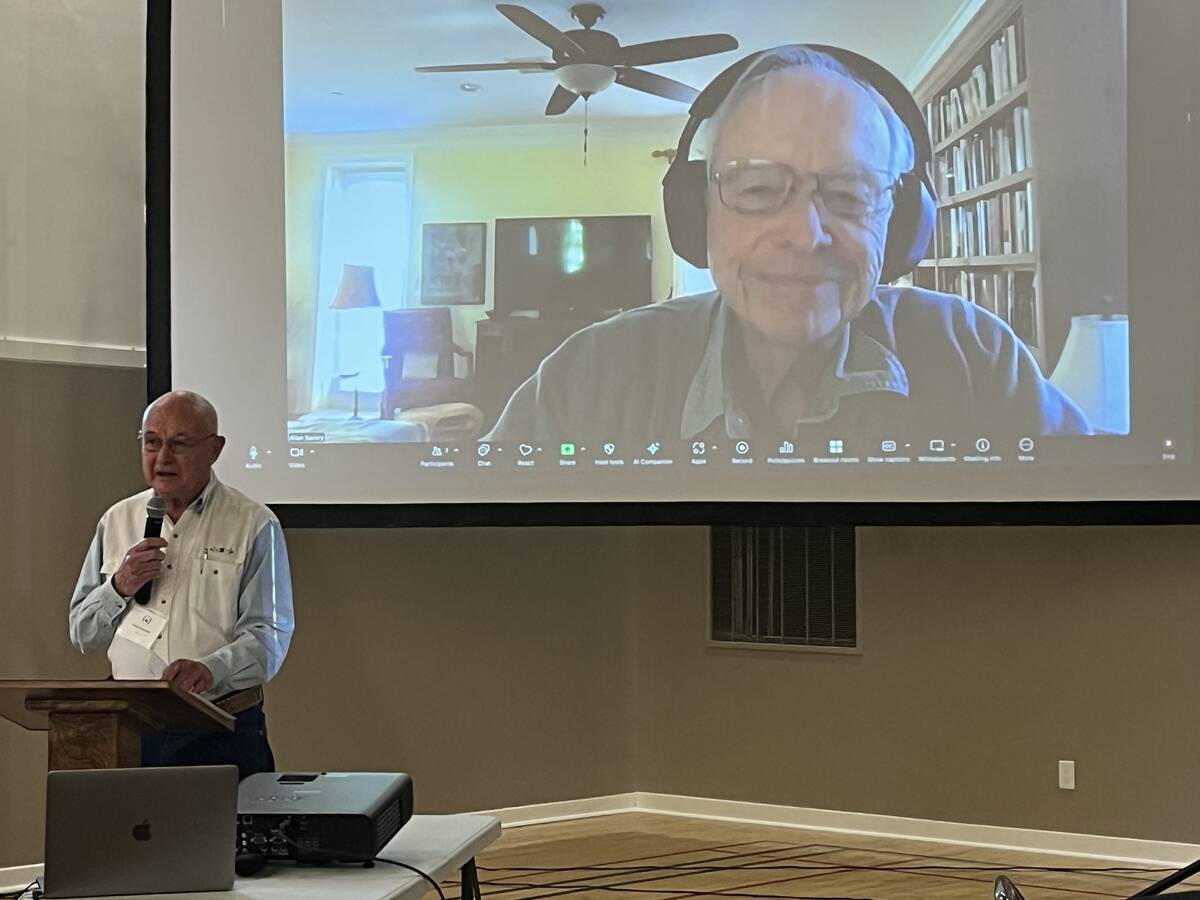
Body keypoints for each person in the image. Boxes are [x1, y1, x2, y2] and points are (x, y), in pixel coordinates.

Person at [487, 46, 1089, 447]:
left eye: (851, 193)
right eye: (756, 188)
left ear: (901, 224)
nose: (806, 236)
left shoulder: (976, 357)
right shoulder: (587, 376)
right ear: (699, 214)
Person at [69, 390, 294, 778]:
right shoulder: (117, 519)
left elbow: (268, 637)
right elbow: (83, 633)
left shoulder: (254, 524)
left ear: (214, 449)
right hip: (129, 727)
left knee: (222, 840)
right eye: (152, 442)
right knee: (128, 838)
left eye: (179, 444)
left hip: (219, 726)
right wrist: (119, 585)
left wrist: (211, 670)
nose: (163, 457)